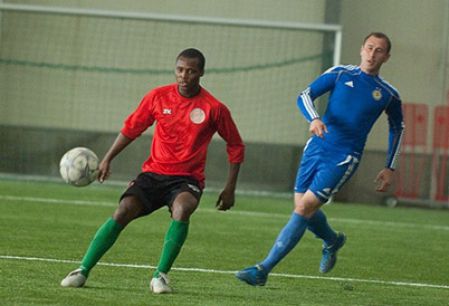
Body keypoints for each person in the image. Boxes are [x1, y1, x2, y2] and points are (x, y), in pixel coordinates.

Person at [61, 48, 245, 293]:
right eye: (180, 69)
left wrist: (230, 187)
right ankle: (82, 270)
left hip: (186, 179)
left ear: (201, 73)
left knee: (183, 208)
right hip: (153, 174)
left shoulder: (214, 108)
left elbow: (235, 145)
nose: (184, 75)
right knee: (123, 211)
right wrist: (107, 158)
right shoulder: (158, 97)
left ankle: (160, 276)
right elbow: (132, 128)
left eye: (191, 71)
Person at [236, 32, 404, 286]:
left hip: (345, 156)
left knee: (303, 209)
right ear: (361, 49)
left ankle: (262, 270)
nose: (372, 54)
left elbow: (397, 128)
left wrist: (390, 166)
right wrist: (314, 118)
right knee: (302, 207)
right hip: (316, 147)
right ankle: (333, 240)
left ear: (387, 57)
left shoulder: (388, 94)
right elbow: (304, 95)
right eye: (369, 47)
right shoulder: (340, 73)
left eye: (379, 50)